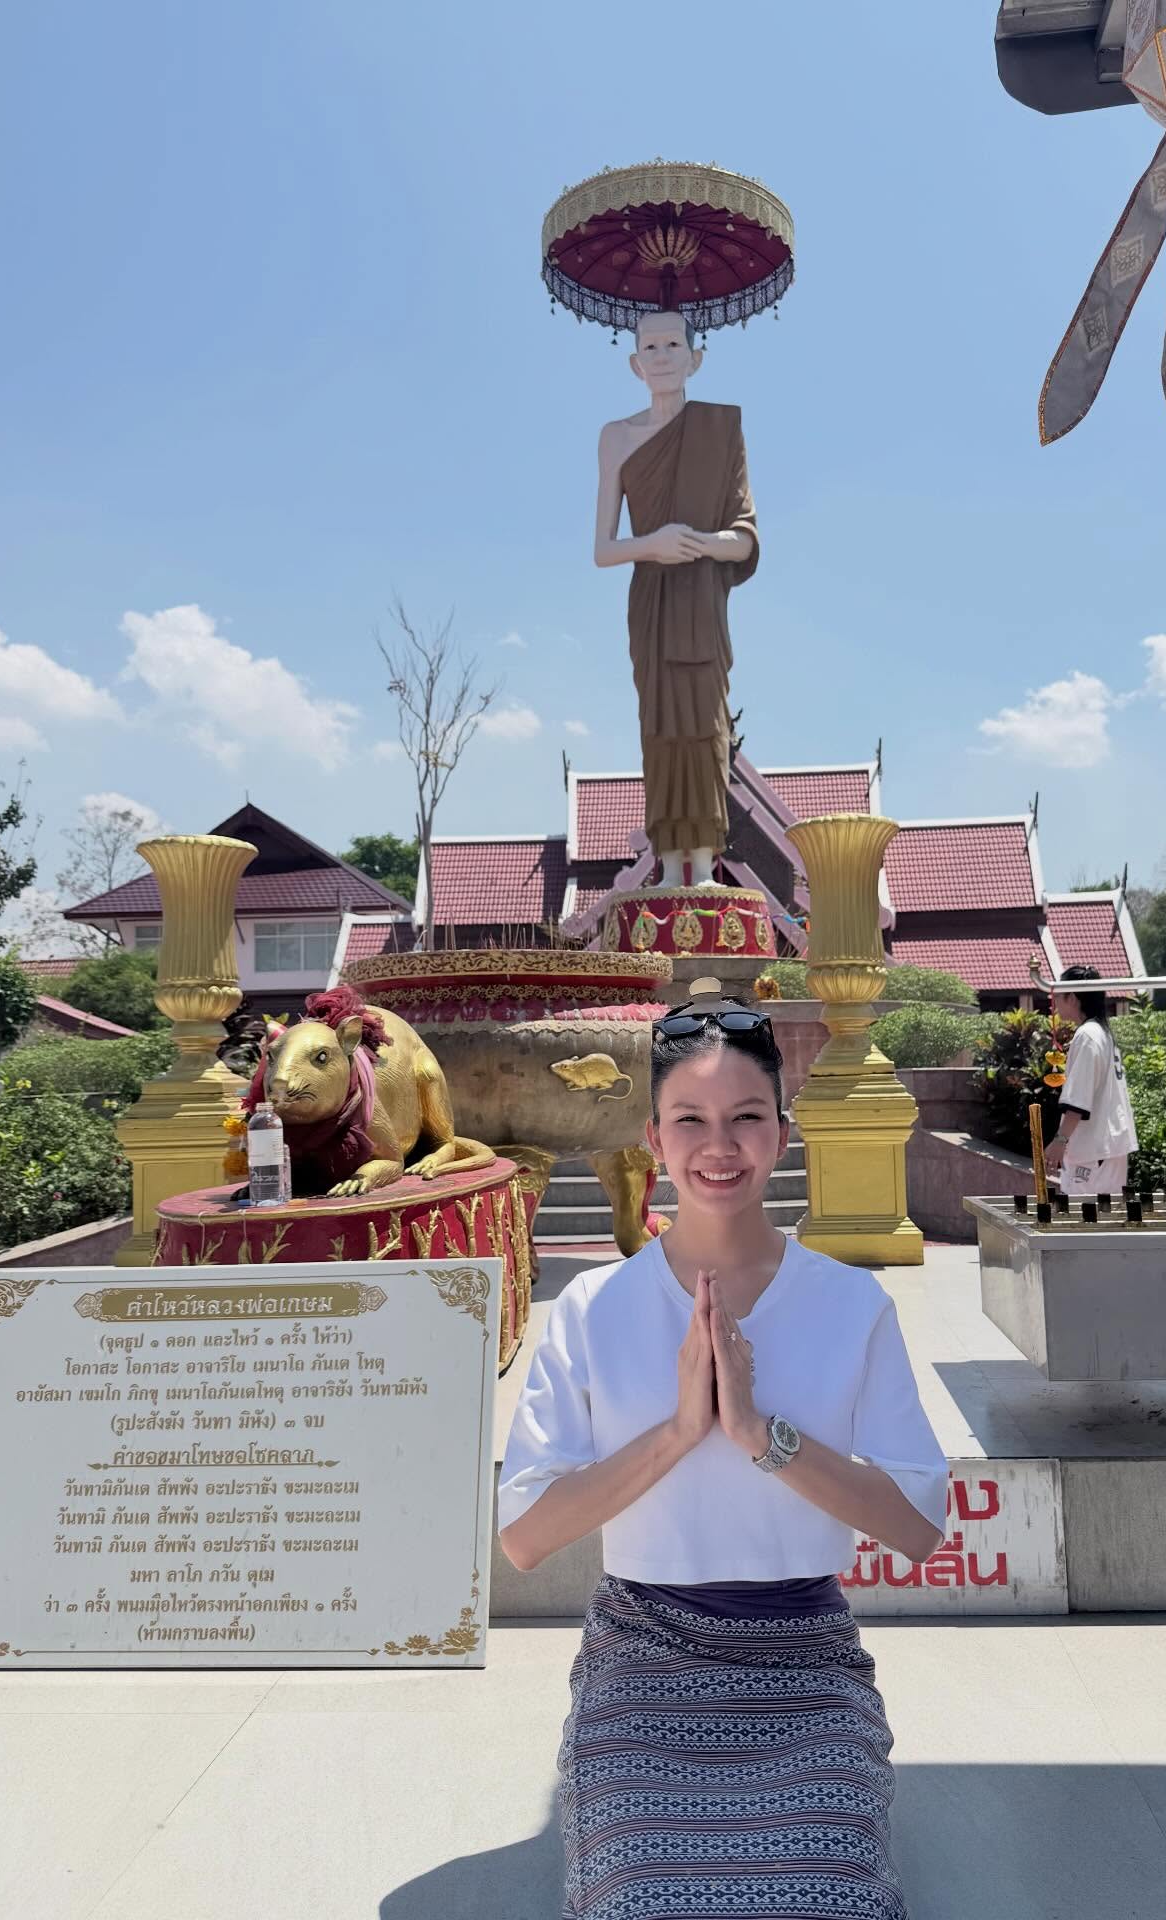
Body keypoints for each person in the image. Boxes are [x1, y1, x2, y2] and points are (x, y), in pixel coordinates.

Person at [498, 998, 948, 1919]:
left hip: (804, 1661)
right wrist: (677, 1431)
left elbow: (917, 1526)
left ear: (781, 1132)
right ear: (653, 1139)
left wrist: (758, 1434)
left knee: (830, 1894)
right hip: (644, 1660)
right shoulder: (592, 1308)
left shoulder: (850, 1304)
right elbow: (525, 1538)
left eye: (746, 1117)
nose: (719, 1146)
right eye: (690, 1120)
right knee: (640, 1895)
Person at [593, 310, 758, 889]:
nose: (661, 355)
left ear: (696, 358)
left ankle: (704, 864)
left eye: (673, 344)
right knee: (660, 727)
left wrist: (702, 543)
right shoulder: (616, 436)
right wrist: (655, 544)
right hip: (654, 602)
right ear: (635, 363)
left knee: (706, 726)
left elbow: (745, 538)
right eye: (650, 347)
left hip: (703, 601)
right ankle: (668, 864)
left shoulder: (721, 428)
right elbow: (603, 549)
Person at [1045, 962, 1138, 1197]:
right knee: (1106, 1213)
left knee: (1085, 1214)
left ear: (1073, 998)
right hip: (1109, 1146)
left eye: (1059, 996)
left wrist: (1060, 1140)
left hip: (1094, 1149)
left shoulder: (1087, 1036)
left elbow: (1078, 1100)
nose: (1055, 1003)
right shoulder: (1102, 1033)